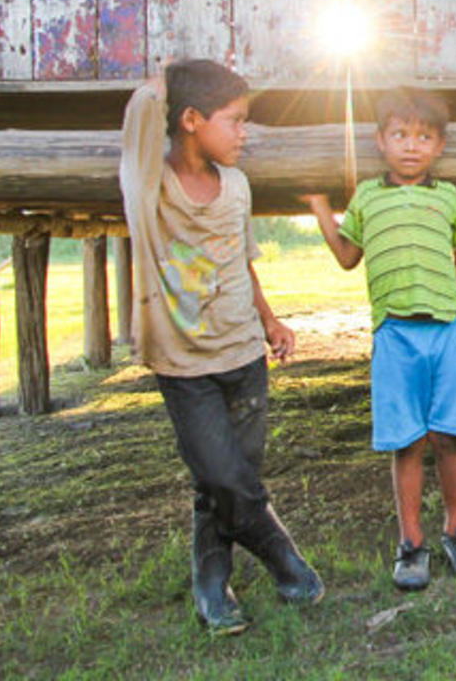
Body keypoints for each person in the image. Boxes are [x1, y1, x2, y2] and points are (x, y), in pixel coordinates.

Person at [119, 60, 324, 635]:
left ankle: (212, 588)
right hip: (184, 364)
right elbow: (140, 114)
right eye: (234, 120)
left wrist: (269, 320)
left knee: (224, 481)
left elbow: (242, 261)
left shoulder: (236, 184)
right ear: (189, 119)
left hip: (243, 354)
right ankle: (284, 556)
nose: (244, 133)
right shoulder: (147, 183)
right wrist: (169, 74)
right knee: (224, 477)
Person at [302, 89, 456, 590]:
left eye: (424, 137)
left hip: (446, 330)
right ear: (380, 141)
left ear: (439, 146)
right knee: (408, 441)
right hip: (395, 332)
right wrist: (320, 209)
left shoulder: (447, 197)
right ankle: (411, 542)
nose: (411, 146)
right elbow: (348, 256)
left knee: (449, 437)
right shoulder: (369, 197)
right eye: (400, 135)